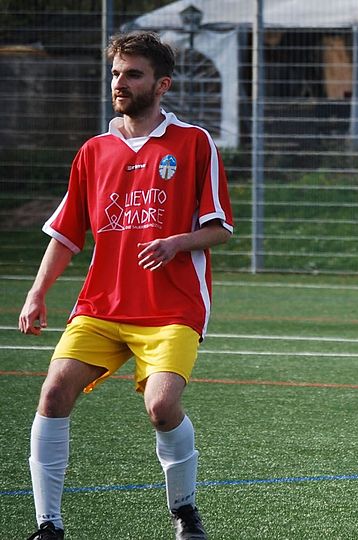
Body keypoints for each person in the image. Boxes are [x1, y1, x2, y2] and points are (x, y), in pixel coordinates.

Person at [18, 31, 233, 540]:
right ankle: (48, 525)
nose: (120, 82)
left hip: (172, 309)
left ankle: (184, 511)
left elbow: (220, 228)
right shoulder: (94, 151)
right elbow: (66, 235)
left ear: (162, 85)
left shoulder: (193, 143)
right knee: (53, 393)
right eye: (116, 73)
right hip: (101, 306)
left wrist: (177, 242)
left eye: (133, 74)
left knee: (161, 407)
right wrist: (37, 293)